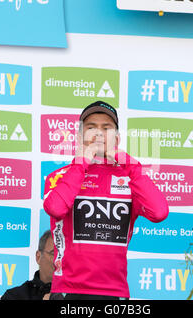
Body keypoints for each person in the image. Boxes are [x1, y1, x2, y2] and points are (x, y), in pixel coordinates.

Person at [43, 100, 169, 300]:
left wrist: (129, 164)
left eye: (106, 128)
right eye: (91, 127)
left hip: (114, 292)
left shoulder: (131, 178)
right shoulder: (60, 176)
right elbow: (56, 209)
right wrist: (80, 163)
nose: (99, 133)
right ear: (78, 137)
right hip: (68, 290)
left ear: (116, 139)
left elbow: (159, 212)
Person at [1, 230, 54, 300]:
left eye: (65, 255)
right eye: (53, 253)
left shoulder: (72, 295)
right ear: (38, 257)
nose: (60, 260)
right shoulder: (13, 296)